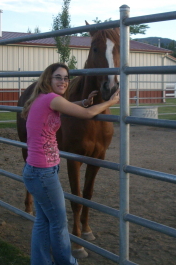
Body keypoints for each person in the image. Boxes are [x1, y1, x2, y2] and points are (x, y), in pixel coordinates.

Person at [21, 63, 120, 265]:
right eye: (58, 77)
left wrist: (83, 101)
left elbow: (70, 108)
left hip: (34, 170)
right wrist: (110, 102)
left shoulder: (41, 98)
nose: (64, 82)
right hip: (44, 173)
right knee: (58, 223)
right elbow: (86, 114)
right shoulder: (52, 99)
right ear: (48, 79)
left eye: (66, 78)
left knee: (43, 222)